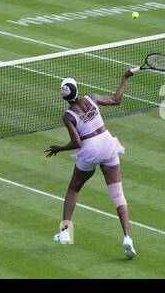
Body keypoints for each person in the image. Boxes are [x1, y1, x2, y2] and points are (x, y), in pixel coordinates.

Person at [46, 71, 138, 259]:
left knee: (74, 189)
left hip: (90, 150)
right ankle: (127, 237)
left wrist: (60, 148)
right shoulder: (92, 98)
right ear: (76, 90)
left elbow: (77, 143)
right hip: (107, 144)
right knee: (117, 193)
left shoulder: (68, 116)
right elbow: (116, 99)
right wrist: (124, 78)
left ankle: (65, 231)